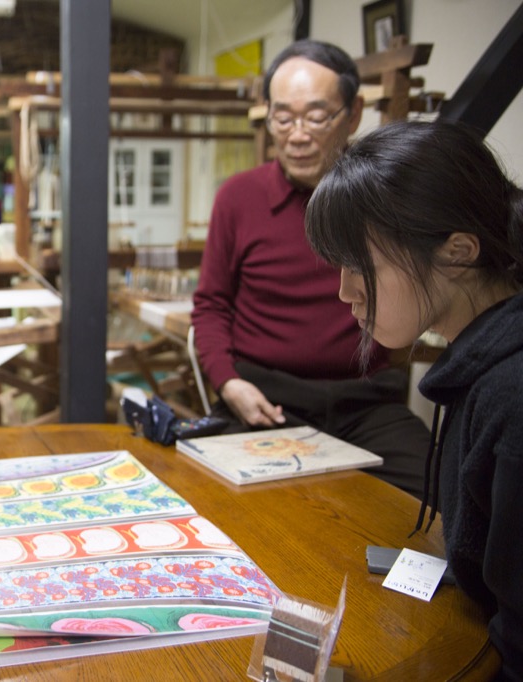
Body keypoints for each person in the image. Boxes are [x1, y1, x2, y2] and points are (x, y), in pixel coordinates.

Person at [304, 119, 523, 680]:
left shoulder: (511, 397)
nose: (344, 290)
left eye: (362, 266)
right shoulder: (486, 365)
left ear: (457, 252)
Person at [190, 39, 430, 498]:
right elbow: (211, 305)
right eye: (283, 117)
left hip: (366, 402)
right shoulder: (238, 197)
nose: (297, 135)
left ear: (353, 113)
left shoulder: (383, 201)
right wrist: (229, 381)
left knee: (439, 498)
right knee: (219, 501)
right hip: (265, 400)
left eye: (316, 116)